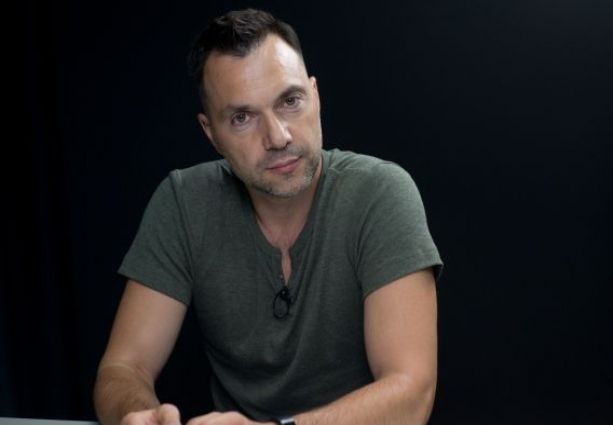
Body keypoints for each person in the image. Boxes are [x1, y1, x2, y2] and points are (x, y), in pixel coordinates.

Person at [94, 8, 443, 425]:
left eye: (290, 101)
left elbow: (412, 393)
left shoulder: (380, 193)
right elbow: (124, 367)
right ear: (210, 133)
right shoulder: (184, 202)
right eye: (242, 118)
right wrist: (137, 415)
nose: (278, 137)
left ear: (315, 96)